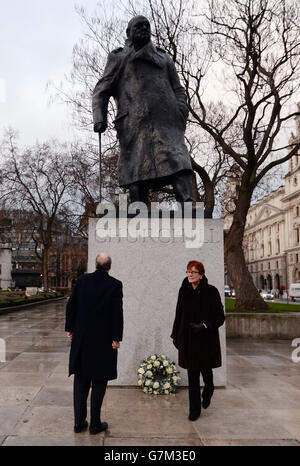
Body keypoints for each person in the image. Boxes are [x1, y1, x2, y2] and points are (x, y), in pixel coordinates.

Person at [92, 15, 195, 205]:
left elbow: (178, 89)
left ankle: (189, 209)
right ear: (128, 33)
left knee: (180, 162)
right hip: (134, 125)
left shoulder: (164, 58)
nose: (144, 28)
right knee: (136, 171)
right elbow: (101, 90)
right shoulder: (119, 57)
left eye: (147, 25)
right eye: (138, 26)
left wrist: (181, 112)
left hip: (167, 123)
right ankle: (139, 213)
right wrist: (100, 118)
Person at [65, 253, 123, 434]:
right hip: (103, 342)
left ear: (95, 265)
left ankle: (79, 422)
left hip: (82, 339)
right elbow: (117, 314)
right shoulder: (115, 285)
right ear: (109, 267)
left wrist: (70, 329)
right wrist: (116, 338)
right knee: (99, 382)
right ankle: (95, 424)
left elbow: (71, 305)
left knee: (81, 383)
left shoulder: (82, 281)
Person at [171, 260, 225, 421]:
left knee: (207, 374)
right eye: (188, 271)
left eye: (193, 272)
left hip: (206, 341)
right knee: (192, 376)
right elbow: (178, 314)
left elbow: (220, 318)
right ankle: (194, 410)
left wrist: (204, 325)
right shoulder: (184, 291)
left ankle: (208, 390)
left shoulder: (211, 291)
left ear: (201, 274)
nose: (190, 275)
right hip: (188, 340)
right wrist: (175, 335)